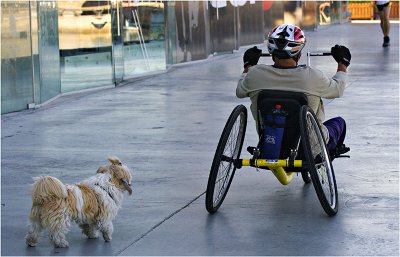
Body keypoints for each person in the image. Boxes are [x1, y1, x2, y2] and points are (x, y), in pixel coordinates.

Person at [236, 24, 351, 157]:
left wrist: (248, 65)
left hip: (271, 144)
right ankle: (326, 156)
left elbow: (240, 91)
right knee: (339, 123)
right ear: (299, 53)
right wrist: (343, 63)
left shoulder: (254, 74)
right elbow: (338, 89)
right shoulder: (313, 76)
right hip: (308, 148)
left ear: (271, 53)